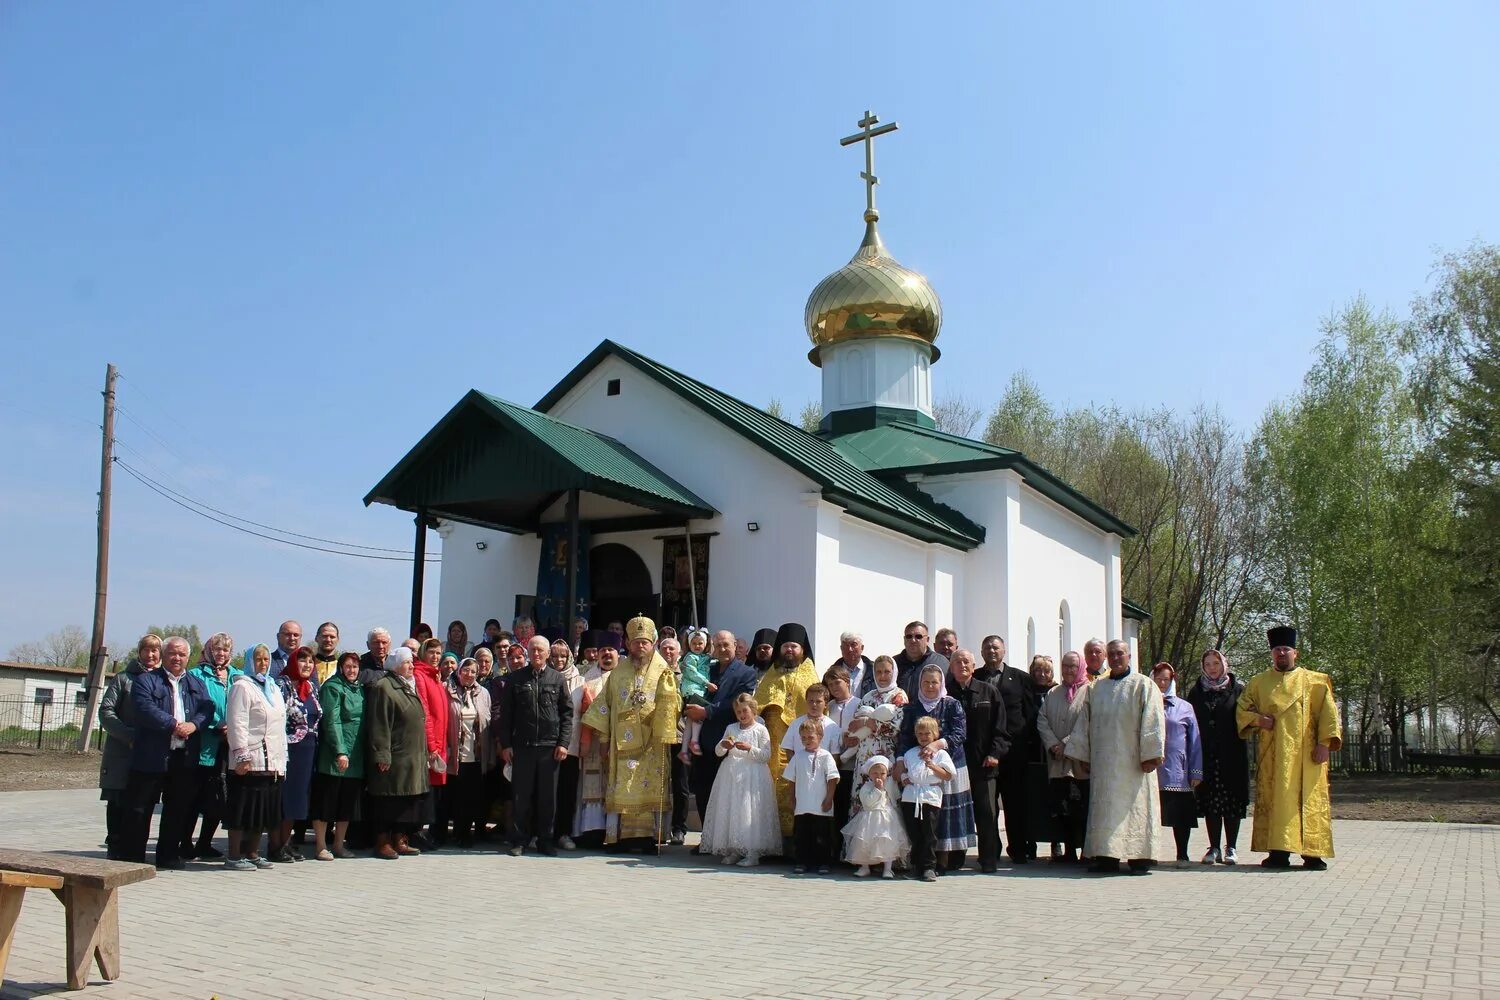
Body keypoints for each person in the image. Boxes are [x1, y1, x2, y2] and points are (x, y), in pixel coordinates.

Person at [1237, 625, 1341, 870]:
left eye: (1285, 649)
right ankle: (1278, 852)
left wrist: (1325, 744)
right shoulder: (1258, 683)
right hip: (1273, 755)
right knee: (1277, 800)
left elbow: (1329, 714)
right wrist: (1257, 720)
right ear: (1271, 654)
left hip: (1308, 756)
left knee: (1308, 800)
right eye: (1276, 650)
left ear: (1296, 653)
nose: (1281, 653)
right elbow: (1242, 710)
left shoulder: (1315, 681)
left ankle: (1312, 854)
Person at [581, 617, 680, 852]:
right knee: (623, 787)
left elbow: (675, 703)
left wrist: (666, 713)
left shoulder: (663, 670)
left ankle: (648, 840)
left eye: (645, 642)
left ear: (653, 643)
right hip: (621, 744)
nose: (640, 647)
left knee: (648, 788)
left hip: (652, 742)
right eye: (636, 643)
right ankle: (619, 839)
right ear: (627, 643)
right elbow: (604, 705)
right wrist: (604, 739)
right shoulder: (618, 672)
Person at [1065, 639, 1164, 875]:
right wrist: (1083, 755)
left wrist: (1151, 754)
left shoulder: (1144, 685)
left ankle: (1139, 858)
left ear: (1129, 656)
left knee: (1136, 809)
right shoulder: (1096, 688)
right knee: (1105, 809)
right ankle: (1105, 856)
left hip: (1134, 763)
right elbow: (1084, 723)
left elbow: (1154, 720)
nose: (1116, 657)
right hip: (1104, 763)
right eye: (1112, 654)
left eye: (1120, 653)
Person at [122, 635, 212, 869]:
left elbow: (207, 708)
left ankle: (168, 855)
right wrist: (173, 725)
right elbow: (144, 708)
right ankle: (133, 857)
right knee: (140, 808)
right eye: (172, 653)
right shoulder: (147, 680)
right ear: (163, 654)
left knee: (177, 809)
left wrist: (193, 725)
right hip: (151, 755)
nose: (177, 658)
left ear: (188, 657)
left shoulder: (195, 683)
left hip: (183, 757)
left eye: (182, 654)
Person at [895, 664, 976, 872]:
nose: (930, 686)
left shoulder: (951, 704)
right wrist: (901, 761)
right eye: (926, 682)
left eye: (935, 682)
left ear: (941, 684)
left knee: (946, 813)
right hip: (919, 767)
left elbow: (960, 732)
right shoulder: (912, 708)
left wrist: (937, 744)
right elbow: (905, 737)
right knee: (927, 816)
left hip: (950, 763)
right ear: (920, 684)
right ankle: (924, 860)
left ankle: (945, 859)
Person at [500, 635, 573, 857]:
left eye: (540, 650)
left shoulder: (557, 679)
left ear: (548, 653)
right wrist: (506, 745)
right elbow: (506, 716)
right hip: (523, 746)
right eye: (532, 650)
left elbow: (567, 714)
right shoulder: (515, 679)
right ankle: (519, 840)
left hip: (549, 748)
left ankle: (545, 840)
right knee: (521, 796)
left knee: (547, 798)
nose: (536, 654)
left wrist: (563, 743)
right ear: (527, 653)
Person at [224, 644, 289, 870]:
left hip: (272, 760)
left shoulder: (272, 687)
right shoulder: (242, 686)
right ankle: (234, 855)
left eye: (265, 659)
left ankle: (252, 852)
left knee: (261, 810)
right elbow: (237, 722)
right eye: (258, 659)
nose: (263, 663)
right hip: (250, 759)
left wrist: (282, 758)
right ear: (250, 661)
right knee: (243, 808)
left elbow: (280, 724)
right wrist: (242, 755)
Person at [682, 630, 757, 827]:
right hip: (703, 739)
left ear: (735, 646)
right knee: (703, 789)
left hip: (728, 740)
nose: (723, 649)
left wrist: (706, 712)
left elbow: (737, 703)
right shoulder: (707, 668)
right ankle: (707, 838)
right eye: (718, 645)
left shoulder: (746, 672)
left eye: (727, 645)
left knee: (726, 793)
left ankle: (725, 839)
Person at [754, 622, 821, 839]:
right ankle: (772, 840)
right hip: (773, 744)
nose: (789, 650)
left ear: (802, 649)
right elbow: (757, 706)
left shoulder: (810, 674)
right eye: (785, 647)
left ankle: (797, 842)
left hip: (801, 742)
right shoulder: (770, 675)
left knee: (797, 787)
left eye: (794, 646)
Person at [698, 693, 780, 867]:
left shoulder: (760, 729)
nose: (742, 715)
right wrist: (723, 745)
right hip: (731, 774)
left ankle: (752, 851)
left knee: (749, 810)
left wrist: (750, 748)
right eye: (738, 712)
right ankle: (734, 849)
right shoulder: (731, 728)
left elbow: (766, 755)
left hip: (753, 775)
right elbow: (718, 752)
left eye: (745, 711)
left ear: (753, 710)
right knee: (733, 810)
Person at [945, 648, 1007, 872]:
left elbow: (1000, 728)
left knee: (987, 813)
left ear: (973, 667)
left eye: (966, 662)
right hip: (953, 765)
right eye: (957, 662)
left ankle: (988, 859)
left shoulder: (988, 692)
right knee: (956, 811)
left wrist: (994, 753)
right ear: (951, 668)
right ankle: (955, 858)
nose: (962, 665)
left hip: (983, 764)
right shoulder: (945, 694)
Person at [1187, 648, 1250, 864]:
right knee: (1211, 801)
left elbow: (1246, 717)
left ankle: (1231, 847)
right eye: (1208, 665)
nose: (1212, 668)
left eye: (1216, 663)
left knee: (1231, 800)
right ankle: (1213, 847)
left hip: (1232, 754)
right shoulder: (1197, 692)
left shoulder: (1238, 690)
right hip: (1206, 755)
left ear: (1224, 664)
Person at [979, 634, 1038, 864]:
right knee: (988, 805)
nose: (991, 651)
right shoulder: (977, 677)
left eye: (995, 648)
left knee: (1015, 803)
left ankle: (1019, 848)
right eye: (987, 648)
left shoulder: (1021, 678)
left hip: (1015, 752)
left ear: (1004, 651)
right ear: (982, 653)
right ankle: (991, 849)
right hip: (985, 752)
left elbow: (1030, 713)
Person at [181, 632, 240, 861]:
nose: (221, 653)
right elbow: (197, 705)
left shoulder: (237, 676)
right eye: (217, 649)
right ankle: (184, 842)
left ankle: (205, 842)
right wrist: (217, 724)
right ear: (208, 650)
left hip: (229, 746)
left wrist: (233, 728)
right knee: (194, 797)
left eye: (225, 649)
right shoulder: (196, 675)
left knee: (218, 798)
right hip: (203, 744)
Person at [366, 647, 428, 860]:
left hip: (412, 754)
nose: (411, 666)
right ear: (395, 665)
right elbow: (379, 723)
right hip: (395, 754)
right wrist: (382, 754)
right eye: (407, 662)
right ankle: (382, 842)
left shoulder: (408, 685)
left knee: (406, 800)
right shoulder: (384, 686)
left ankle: (400, 839)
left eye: (412, 662)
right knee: (388, 801)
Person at [99, 635, 157, 859]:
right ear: (139, 652)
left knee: (142, 803)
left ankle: (135, 848)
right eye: (147, 650)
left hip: (150, 754)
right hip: (123, 752)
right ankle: (115, 845)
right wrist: (128, 735)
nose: (151, 655)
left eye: (155, 651)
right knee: (118, 801)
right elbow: (106, 711)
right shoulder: (123, 679)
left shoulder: (162, 680)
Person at [311, 651, 366, 860]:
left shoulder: (360, 689)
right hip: (335, 755)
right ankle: (320, 845)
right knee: (326, 801)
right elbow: (332, 721)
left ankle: (338, 845)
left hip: (356, 754)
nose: (352, 670)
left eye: (355, 667)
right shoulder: (332, 687)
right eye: (348, 666)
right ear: (340, 667)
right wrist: (340, 751)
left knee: (347, 803)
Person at [1037, 650, 1090, 863]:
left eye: (1073, 667)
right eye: (1065, 666)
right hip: (1057, 762)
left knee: (1082, 808)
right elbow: (1042, 720)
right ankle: (1068, 851)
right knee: (1063, 807)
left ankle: (1087, 851)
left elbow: (1086, 722)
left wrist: (1066, 743)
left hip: (1079, 762)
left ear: (1081, 668)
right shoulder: (1054, 693)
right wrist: (1052, 745)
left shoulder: (1090, 691)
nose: (1069, 670)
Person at [270, 646, 322, 863]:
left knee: (297, 798)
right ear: (293, 662)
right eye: (302, 661)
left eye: (310, 662)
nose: (307, 665)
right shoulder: (280, 685)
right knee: (281, 798)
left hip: (307, 748)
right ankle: (274, 846)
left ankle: (285, 843)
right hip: (286, 748)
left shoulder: (310, 686)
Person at [1151, 662, 1203, 867]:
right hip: (1151, 770)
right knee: (1151, 816)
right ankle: (1149, 853)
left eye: (1166, 679)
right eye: (1159, 679)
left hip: (1177, 771)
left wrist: (1196, 770)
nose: (1162, 683)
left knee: (1180, 816)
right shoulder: (1145, 703)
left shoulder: (1184, 707)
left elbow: (1195, 740)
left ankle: (1182, 853)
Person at [847, 655, 907, 819]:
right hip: (864, 755)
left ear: (894, 672)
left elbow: (896, 728)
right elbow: (855, 722)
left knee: (884, 797)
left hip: (885, 754)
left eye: (887, 672)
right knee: (864, 795)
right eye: (878, 672)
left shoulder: (899, 695)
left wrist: (868, 722)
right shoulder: (868, 696)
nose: (882, 676)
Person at [897, 716, 954, 883]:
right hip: (911, 797)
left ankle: (929, 867)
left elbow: (948, 775)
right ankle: (916, 866)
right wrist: (904, 776)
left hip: (929, 798)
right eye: (920, 733)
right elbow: (902, 771)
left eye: (927, 734)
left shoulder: (941, 754)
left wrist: (932, 765)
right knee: (914, 833)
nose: (923, 737)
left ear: (935, 735)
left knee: (929, 833)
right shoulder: (910, 753)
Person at [445, 657, 494, 848]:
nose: (470, 674)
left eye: (473, 671)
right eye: (466, 670)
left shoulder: (484, 693)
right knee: (456, 796)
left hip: (476, 753)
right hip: (456, 753)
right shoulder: (448, 690)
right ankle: (456, 832)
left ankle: (467, 833)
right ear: (459, 671)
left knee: (472, 796)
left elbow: (488, 724)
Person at [572, 633, 617, 847]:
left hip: (616, 743)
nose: (607, 654)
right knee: (591, 786)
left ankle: (613, 831)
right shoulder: (586, 679)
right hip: (593, 744)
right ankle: (591, 832)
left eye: (611, 650)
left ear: (618, 654)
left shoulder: (623, 678)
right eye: (603, 650)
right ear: (597, 654)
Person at [781, 717, 840, 875]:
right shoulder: (797, 757)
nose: (807, 740)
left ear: (820, 737)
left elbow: (832, 778)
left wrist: (829, 798)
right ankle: (802, 861)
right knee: (802, 835)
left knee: (822, 835)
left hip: (820, 805)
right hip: (802, 805)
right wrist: (792, 797)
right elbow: (791, 779)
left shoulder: (826, 756)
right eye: (803, 738)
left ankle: (824, 862)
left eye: (811, 737)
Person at [841, 755, 909, 878]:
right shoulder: (866, 787)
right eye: (875, 773)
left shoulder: (890, 783)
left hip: (886, 817)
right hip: (869, 817)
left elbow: (895, 797)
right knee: (864, 842)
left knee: (887, 841)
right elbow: (867, 802)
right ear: (869, 774)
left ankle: (887, 869)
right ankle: (864, 867)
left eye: (882, 773)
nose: (879, 776)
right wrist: (877, 789)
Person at [413, 638, 451, 850]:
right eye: (431, 652)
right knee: (422, 792)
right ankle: (416, 832)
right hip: (430, 745)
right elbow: (425, 713)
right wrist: (432, 745)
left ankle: (423, 833)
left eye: (438, 653)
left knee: (432, 792)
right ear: (423, 654)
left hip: (439, 742)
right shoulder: (420, 675)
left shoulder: (435, 676)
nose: (435, 657)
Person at [550, 641, 585, 850]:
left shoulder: (580, 681)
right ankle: (544, 832)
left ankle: (563, 832)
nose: (559, 660)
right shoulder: (544, 676)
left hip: (571, 744)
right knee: (547, 791)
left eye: (563, 656)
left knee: (567, 790)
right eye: (554, 656)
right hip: (547, 743)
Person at [657, 636, 691, 845]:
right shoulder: (653, 673)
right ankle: (658, 828)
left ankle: (679, 827)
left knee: (680, 784)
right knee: (657, 783)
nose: (668, 652)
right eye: (664, 648)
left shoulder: (687, 675)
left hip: (680, 735)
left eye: (672, 649)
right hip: (658, 737)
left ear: (679, 652)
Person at [1026, 655, 1060, 860]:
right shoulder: (1026, 692)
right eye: (1038, 670)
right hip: (1031, 750)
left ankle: (1057, 842)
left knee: (1054, 797)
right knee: (1031, 799)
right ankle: (1031, 842)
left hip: (1053, 751)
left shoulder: (1056, 692)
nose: (1042, 674)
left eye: (1046, 671)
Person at [823, 665, 861, 836]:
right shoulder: (828, 706)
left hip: (851, 762)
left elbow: (863, 734)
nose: (834, 688)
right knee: (833, 806)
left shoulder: (859, 704)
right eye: (830, 685)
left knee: (848, 804)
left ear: (847, 682)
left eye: (837, 683)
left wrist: (846, 753)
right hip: (830, 762)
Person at [678, 627, 712, 757]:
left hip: (697, 690)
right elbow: (691, 672)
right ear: (689, 644)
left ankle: (684, 750)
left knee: (690, 721)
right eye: (694, 643)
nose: (697, 646)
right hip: (692, 690)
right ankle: (694, 741)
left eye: (700, 643)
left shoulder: (705, 657)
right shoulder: (690, 657)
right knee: (698, 715)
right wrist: (707, 683)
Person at [892, 621, 948, 696]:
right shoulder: (893, 663)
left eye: (918, 636)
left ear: (927, 640)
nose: (913, 640)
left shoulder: (941, 663)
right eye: (909, 636)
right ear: (904, 639)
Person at [829, 631, 876, 699]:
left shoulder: (874, 671)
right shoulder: (831, 672)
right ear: (841, 648)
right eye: (845, 645)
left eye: (853, 644)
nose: (850, 649)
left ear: (862, 648)